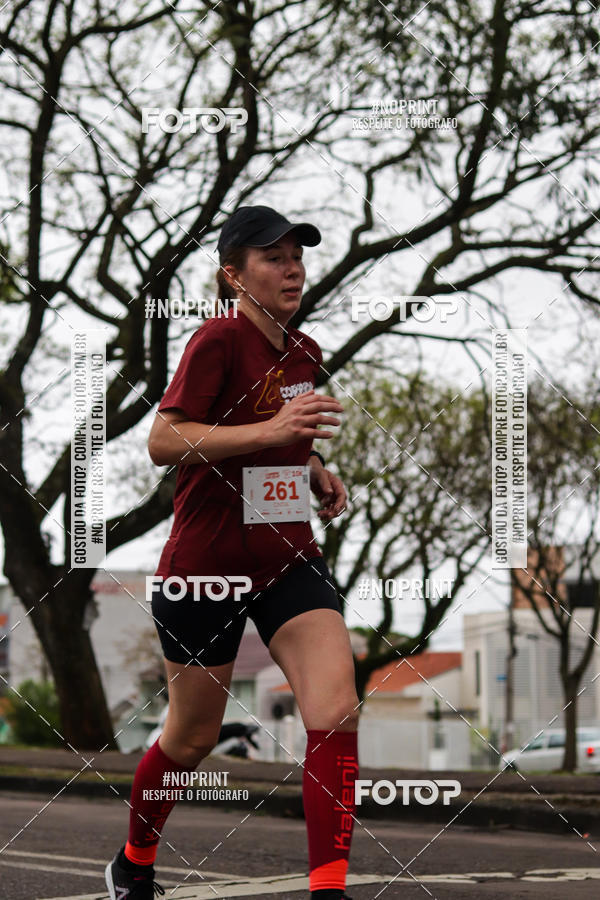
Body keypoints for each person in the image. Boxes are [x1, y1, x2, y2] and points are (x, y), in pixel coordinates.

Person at [105, 205, 360, 900]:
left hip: (286, 558)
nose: (292, 267)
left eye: (296, 255)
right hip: (205, 568)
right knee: (190, 738)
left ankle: (328, 890)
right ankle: (133, 860)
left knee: (335, 708)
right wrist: (268, 430)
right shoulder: (215, 340)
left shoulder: (304, 352)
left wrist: (311, 469)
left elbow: (280, 437)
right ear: (233, 275)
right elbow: (164, 441)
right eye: (273, 257)